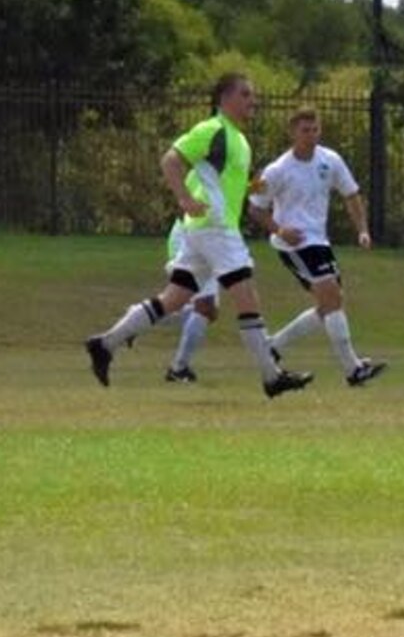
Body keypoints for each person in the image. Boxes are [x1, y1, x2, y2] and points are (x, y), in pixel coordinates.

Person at [84, 73, 312, 399]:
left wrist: (249, 187)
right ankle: (271, 377)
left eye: (253, 95)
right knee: (247, 300)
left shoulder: (238, 139)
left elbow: (220, 181)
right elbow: (171, 159)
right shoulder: (214, 129)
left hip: (206, 231)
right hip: (215, 228)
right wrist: (184, 198)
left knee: (173, 299)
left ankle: (105, 344)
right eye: (246, 95)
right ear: (225, 98)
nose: (253, 101)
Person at [249, 107, 387, 387]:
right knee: (333, 300)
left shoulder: (330, 159)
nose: (311, 136)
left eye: (315, 130)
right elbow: (254, 208)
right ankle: (353, 370)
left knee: (329, 304)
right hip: (294, 245)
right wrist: (280, 230)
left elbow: (351, 194)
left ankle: (273, 346)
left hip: (318, 241)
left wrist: (362, 230)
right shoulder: (276, 170)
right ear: (292, 133)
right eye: (305, 131)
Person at [162, 219, 218, 382]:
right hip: (193, 240)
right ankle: (179, 367)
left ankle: (140, 320)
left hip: (200, 240)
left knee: (209, 311)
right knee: (205, 308)